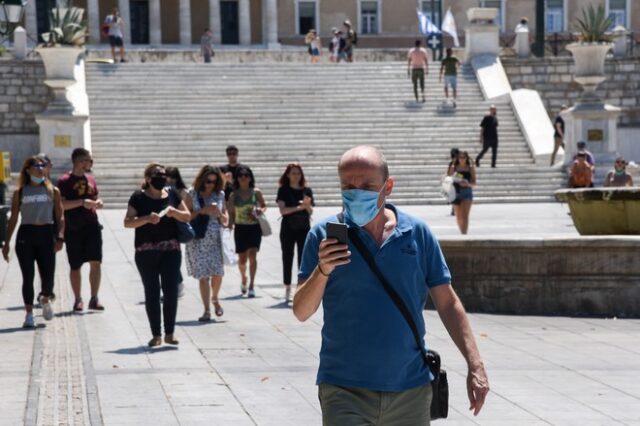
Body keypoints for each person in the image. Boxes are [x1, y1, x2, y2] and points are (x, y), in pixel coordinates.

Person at [293, 146, 489, 424]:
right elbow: (301, 311)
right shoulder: (323, 236)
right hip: (344, 389)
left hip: (410, 389)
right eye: (348, 185)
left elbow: (447, 303)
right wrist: (323, 270)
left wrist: (475, 364)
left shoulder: (416, 233)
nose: (356, 191)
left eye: (366, 185)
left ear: (388, 186)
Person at [124, 163, 191, 347]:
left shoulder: (173, 194)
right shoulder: (138, 197)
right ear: (147, 179)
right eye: (156, 174)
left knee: (170, 291)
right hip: (146, 252)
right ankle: (156, 334)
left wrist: (174, 212)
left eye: (163, 174)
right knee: (152, 292)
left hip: (171, 250)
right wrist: (146, 218)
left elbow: (187, 216)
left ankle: (169, 333)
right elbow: (127, 222)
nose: (161, 177)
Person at [3, 157, 64, 328]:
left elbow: (60, 216)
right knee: (27, 276)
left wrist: (60, 236)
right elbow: (13, 218)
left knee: (48, 277)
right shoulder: (20, 192)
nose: (40, 168)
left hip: (46, 233)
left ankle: (45, 297)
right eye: (36, 166)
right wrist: (7, 243)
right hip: (26, 235)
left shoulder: (53, 190)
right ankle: (29, 314)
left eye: (42, 165)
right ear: (28, 170)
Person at [57, 148, 105, 312]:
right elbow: (61, 205)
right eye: (87, 160)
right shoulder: (64, 181)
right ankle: (78, 298)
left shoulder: (91, 179)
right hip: (73, 227)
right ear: (78, 161)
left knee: (96, 262)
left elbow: (95, 196)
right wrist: (81, 202)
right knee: (75, 265)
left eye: (91, 161)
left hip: (92, 225)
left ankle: (94, 297)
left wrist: (98, 202)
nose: (90, 163)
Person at [184, 165, 228, 321]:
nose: (210, 185)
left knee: (218, 273)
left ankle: (215, 297)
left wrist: (219, 215)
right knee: (203, 276)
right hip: (198, 240)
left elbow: (225, 219)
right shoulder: (192, 194)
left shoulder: (220, 194)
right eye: (208, 181)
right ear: (202, 180)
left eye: (214, 182)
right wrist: (203, 211)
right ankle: (207, 310)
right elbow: (185, 216)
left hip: (216, 239)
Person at [276, 163, 314, 303]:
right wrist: (300, 207)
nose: (296, 176)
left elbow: (310, 211)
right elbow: (283, 211)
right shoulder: (283, 191)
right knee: (287, 256)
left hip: (304, 227)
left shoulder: (306, 190)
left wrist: (307, 206)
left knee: (303, 258)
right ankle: (287, 287)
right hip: (288, 228)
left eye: (298, 173)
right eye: (293, 173)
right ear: (287, 175)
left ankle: (301, 287)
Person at [227, 165, 266, 298]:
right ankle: (244, 277)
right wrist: (229, 226)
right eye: (241, 176)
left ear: (250, 178)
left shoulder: (256, 192)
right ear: (237, 179)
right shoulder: (233, 195)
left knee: (253, 255)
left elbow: (264, 205)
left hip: (254, 227)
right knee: (242, 259)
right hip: (240, 228)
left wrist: (261, 210)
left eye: (246, 175)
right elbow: (230, 213)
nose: (243, 178)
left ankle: (252, 285)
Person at [166, 166, 189, 298]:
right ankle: (177, 282)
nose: (169, 179)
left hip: (178, 224)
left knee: (174, 254)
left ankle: (178, 282)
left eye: (172, 177)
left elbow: (185, 209)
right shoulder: (163, 189)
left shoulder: (182, 191)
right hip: (167, 224)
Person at [448, 151, 476, 234]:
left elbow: (474, 183)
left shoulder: (470, 168)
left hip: (467, 192)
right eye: (460, 157)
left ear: (467, 158)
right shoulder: (454, 167)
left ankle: (464, 233)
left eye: (463, 157)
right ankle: (462, 232)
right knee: (459, 216)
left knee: (465, 216)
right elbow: (448, 178)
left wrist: (467, 184)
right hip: (456, 192)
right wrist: (453, 164)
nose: (462, 159)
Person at [448, 148, 460, 216]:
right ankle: (453, 209)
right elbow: (449, 173)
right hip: (454, 181)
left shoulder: (458, 162)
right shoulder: (452, 163)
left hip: (457, 181)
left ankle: (454, 209)